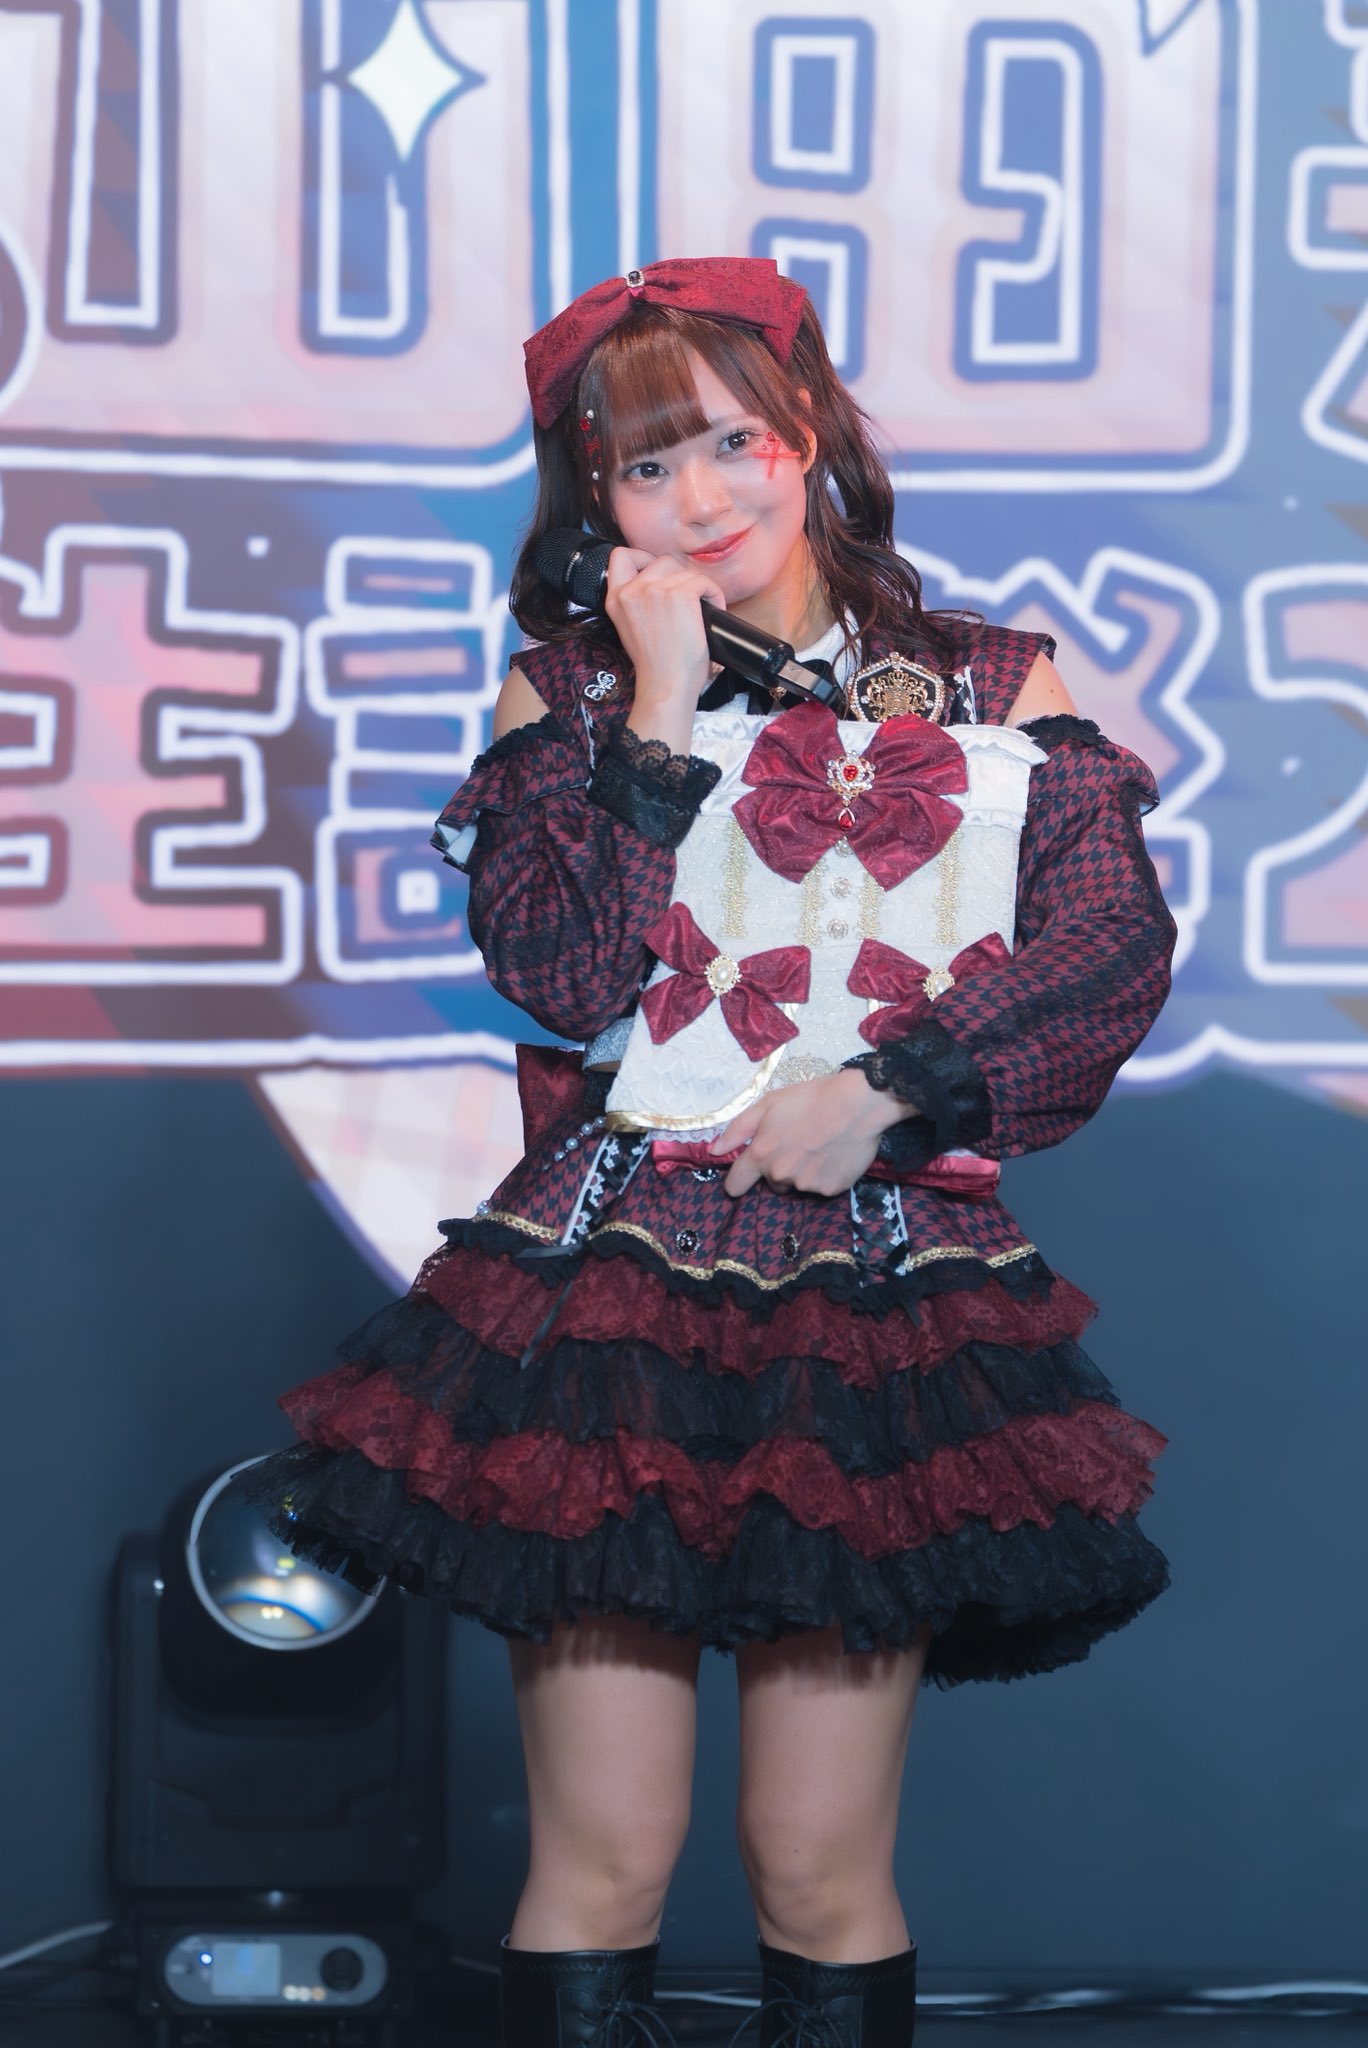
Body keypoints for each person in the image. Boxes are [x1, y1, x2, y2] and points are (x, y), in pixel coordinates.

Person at [245, 257, 1174, 2048]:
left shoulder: (993, 676)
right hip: (611, 1298)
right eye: (645, 467)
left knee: (817, 1865)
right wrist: (659, 707)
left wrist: (889, 1091)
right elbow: (567, 972)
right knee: (605, 1862)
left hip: (875, 1294)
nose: (702, 496)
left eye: (732, 441)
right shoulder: (566, 696)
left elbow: (1111, 942)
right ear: (598, 502)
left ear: (805, 429)